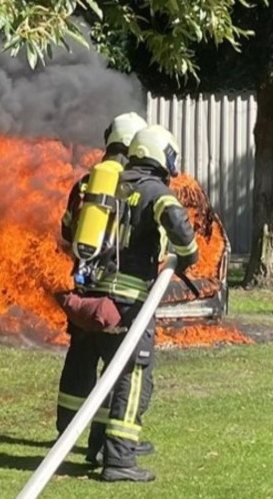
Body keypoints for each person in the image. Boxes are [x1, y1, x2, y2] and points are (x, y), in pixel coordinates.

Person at [85, 124, 199, 483]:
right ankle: (119, 460)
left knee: (111, 373)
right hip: (132, 300)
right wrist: (189, 255)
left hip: (99, 294)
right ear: (160, 154)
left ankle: (100, 446)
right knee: (134, 376)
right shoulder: (154, 190)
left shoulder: (113, 184)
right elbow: (179, 224)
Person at [57, 112, 149, 465]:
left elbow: (67, 232)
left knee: (80, 361)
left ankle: (66, 435)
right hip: (118, 295)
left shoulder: (84, 183)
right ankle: (103, 444)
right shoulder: (133, 185)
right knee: (117, 371)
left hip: (83, 292)